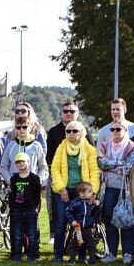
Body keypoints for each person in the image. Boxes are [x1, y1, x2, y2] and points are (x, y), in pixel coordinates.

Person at [50, 120, 100, 263]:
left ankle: (82, 255)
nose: (71, 134)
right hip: (63, 191)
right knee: (60, 222)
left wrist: (93, 192)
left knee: (83, 224)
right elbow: (55, 169)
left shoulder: (90, 149)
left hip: (83, 193)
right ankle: (58, 254)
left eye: (75, 131)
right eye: (68, 131)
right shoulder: (61, 147)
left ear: (82, 132)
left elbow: (94, 172)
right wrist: (62, 189)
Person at [46, 100, 94, 244]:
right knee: (57, 214)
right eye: (65, 111)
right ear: (61, 113)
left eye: (72, 111)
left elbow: (92, 159)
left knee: (80, 217)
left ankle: (80, 246)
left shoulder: (85, 132)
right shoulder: (54, 132)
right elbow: (50, 159)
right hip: (59, 180)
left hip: (80, 184)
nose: (68, 114)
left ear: (77, 114)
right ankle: (57, 246)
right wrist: (60, 185)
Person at [97, 119, 134, 264]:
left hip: (125, 190)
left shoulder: (132, 147)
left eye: (118, 129)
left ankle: (128, 253)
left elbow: (129, 168)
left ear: (125, 131)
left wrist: (110, 164)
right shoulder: (104, 145)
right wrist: (119, 164)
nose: (115, 132)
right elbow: (101, 163)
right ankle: (112, 253)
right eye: (112, 129)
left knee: (126, 219)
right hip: (109, 188)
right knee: (109, 220)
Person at [8, 153, 41, 263]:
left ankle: (32, 256)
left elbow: (37, 195)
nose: (21, 164)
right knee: (17, 235)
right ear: (16, 165)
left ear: (29, 162)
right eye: (18, 162)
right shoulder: (14, 179)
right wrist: (13, 208)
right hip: (17, 210)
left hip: (30, 210)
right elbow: (11, 195)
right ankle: (17, 256)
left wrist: (35, 207)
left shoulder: (35, 178)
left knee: (32, 234)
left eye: (23, 161)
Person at [0, 115, 48, 186]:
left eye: (24, 127)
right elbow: (3, 167)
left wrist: (38, 180)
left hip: (32, 188)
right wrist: (10, 181)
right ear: (15, 129)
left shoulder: (37, 146)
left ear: (30, 127)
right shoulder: (10, 145)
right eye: (18, 127)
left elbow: (43, 167)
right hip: (14, 188)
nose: (21, 129)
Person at [65, 181, 99, 264]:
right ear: (81, 193)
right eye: (89, 192)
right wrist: (72, 221)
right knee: (76, 243)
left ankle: (91, 259)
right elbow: (68, 212)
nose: (91, 193)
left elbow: (96, 213)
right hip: (78, 227)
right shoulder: (75, 202)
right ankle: (72, 259)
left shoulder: (91, 203)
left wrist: (97, 205)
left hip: (88, 227)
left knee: (90, 243)